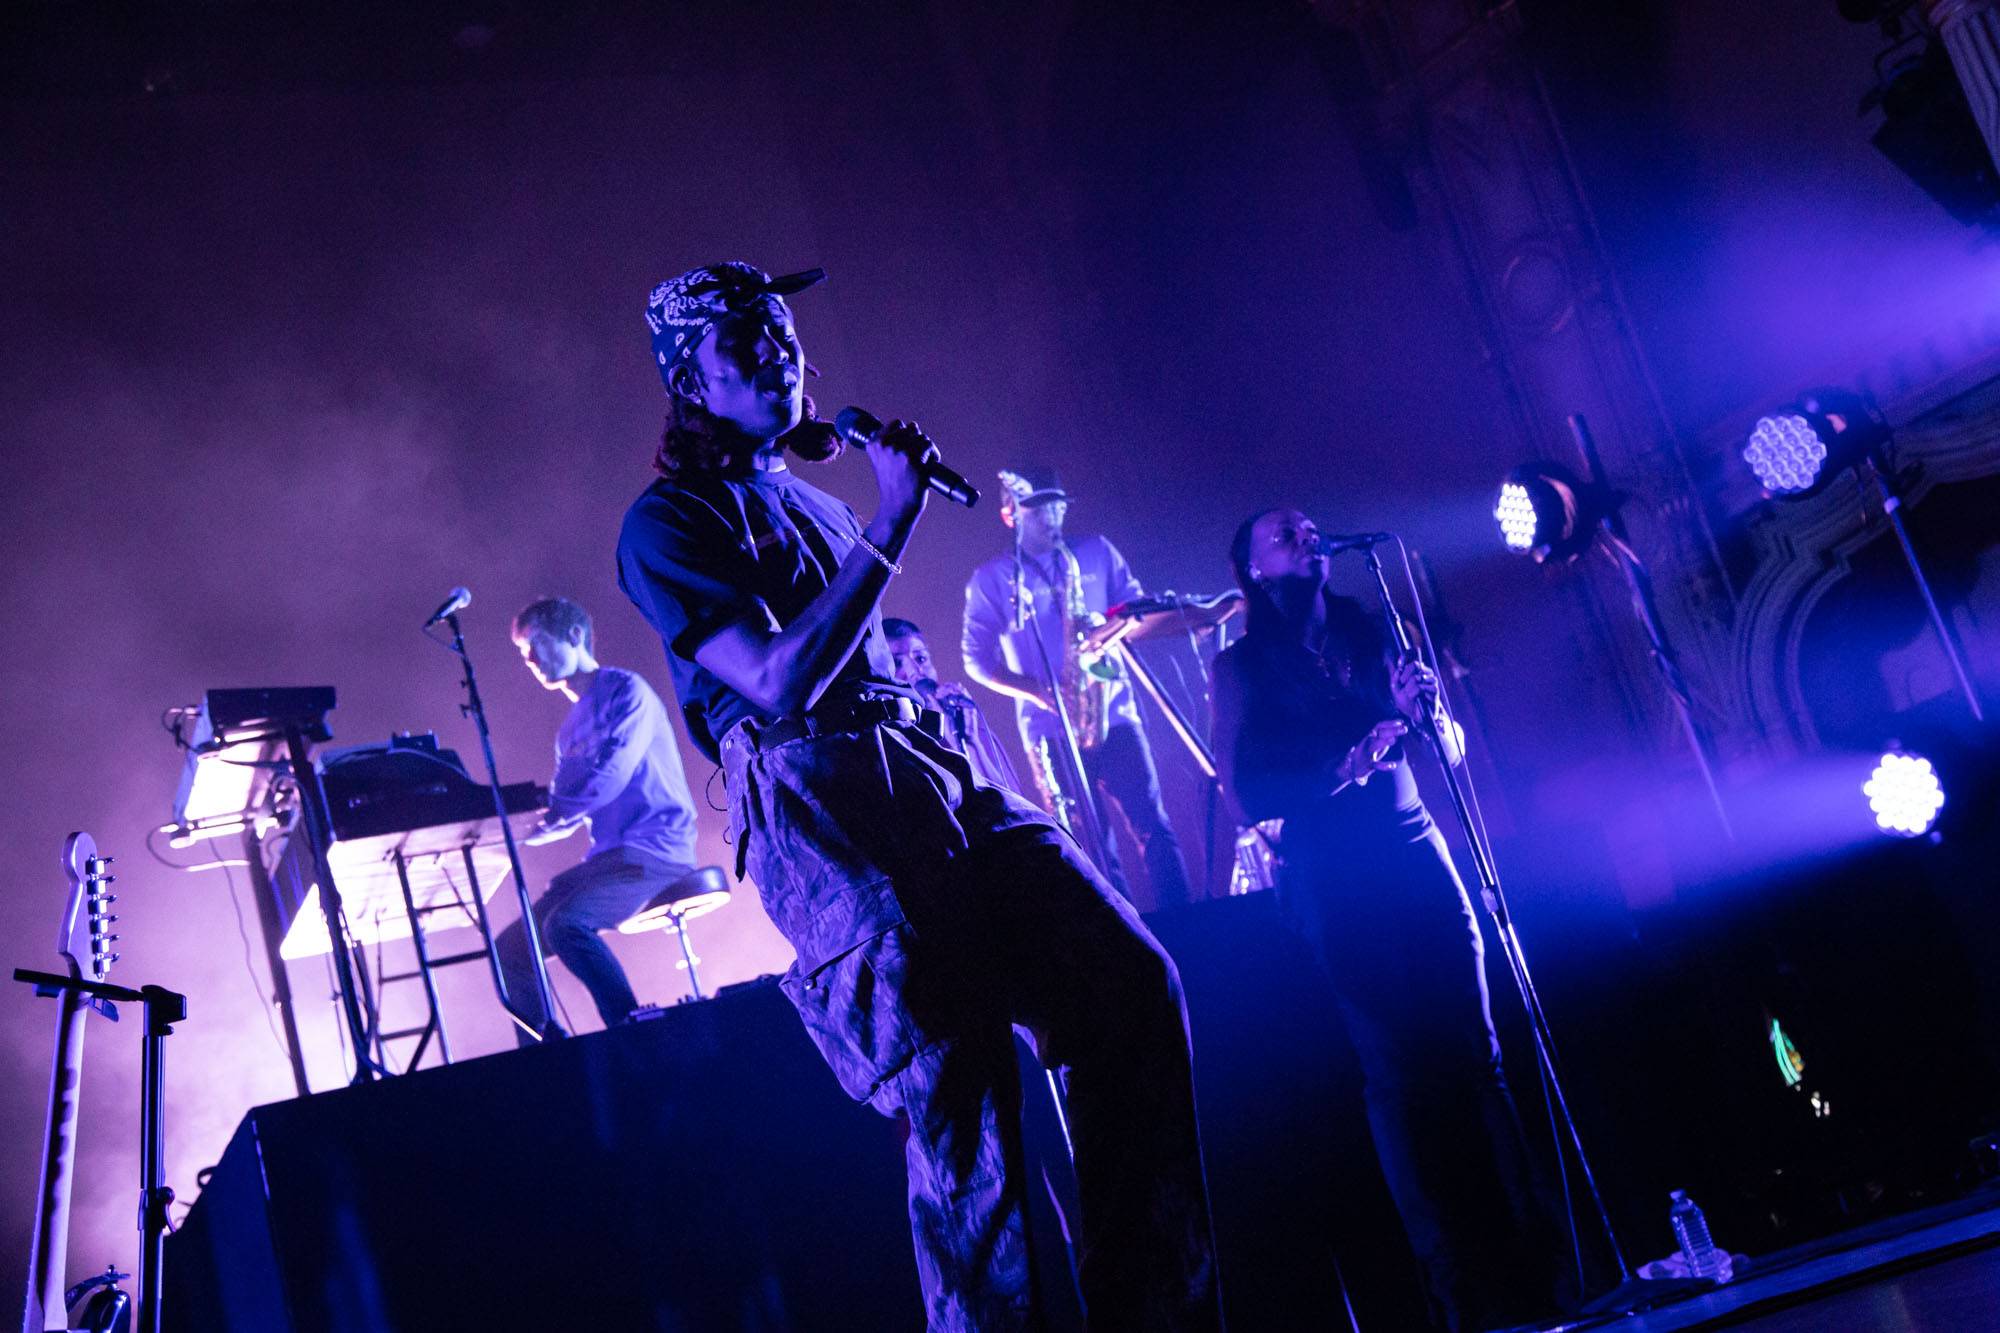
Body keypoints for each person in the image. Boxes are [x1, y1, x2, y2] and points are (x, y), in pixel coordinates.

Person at [615, 262, 1220, 1330]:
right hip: (828, 821)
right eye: (744, 341)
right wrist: (889, 522)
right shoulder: (666, 523)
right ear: (688, 380)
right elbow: (775, 679)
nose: (779, 352)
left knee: (1127, 985)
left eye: (783, 331)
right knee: (967, 1116)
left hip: (932, 776)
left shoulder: (807, 496)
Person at [1209, 507, 1555, 1332]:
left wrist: (1430, 713)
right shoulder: (1244, 665)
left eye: (1308, 523)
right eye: (1283, 531)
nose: (1306, 531)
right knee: (1397, 1076)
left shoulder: (1371, 624)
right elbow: (1247, 792)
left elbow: (1452, 747)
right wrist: (1343, 764)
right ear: (1255, 569)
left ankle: (1544, 1273)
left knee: (1481, 1057)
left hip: (1418, 850)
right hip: (1335, 877)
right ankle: (1458, 1296)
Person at [960, 467, 1195, 909]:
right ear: (1011, 514)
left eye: (1058, 506)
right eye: (1038, 509)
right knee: (1088, 844)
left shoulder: (1096, 551)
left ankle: (1189, 923)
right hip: (1049, 727)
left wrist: (1110, 629)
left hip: (1115, 711)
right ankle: (1123, 941)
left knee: (1153, 824)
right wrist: (1037, 690)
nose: (1051, 517)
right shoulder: (991, 579)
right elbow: (975, 659)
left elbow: (1137, 612)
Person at [497, 595, 700, 1040]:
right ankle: (550, 1051)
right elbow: (566, 813)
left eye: (535, 644)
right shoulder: (569, 728)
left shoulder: (628, 692)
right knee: (511, 949)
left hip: (656, 853)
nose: (528, 658)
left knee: (565, 924)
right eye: (522, 652)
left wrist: (554, 813)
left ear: (573, 636)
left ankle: (632, 1032)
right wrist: (512, 833)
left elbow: (609, 775)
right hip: (609, 860)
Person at [882, 615, 1023, 794]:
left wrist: (971, 742)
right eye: (897, 663)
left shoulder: (963, 721)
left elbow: (1012, 802)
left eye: (921, 658)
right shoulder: (891, 743)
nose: (916, 672)